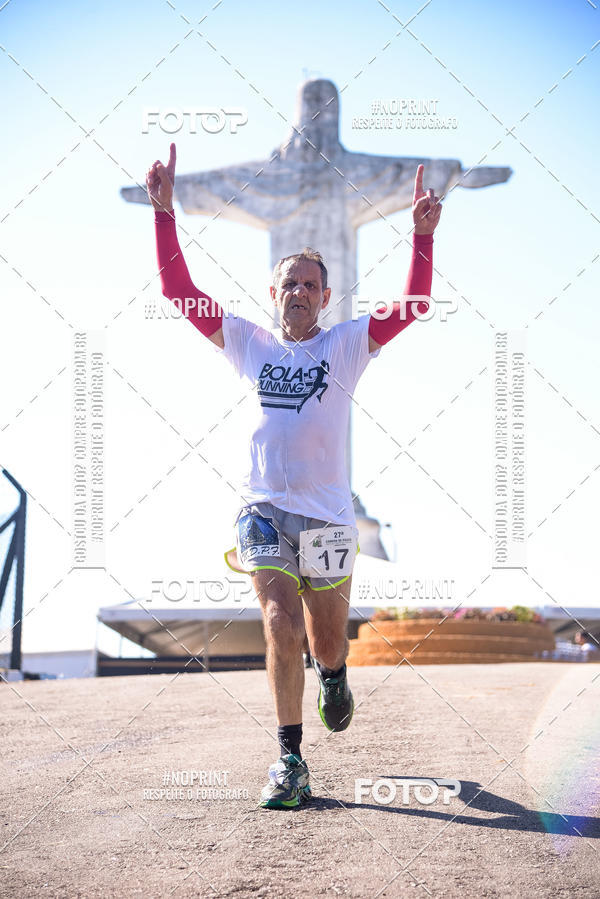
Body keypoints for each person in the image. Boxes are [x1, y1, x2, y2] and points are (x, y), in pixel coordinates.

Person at [146, 143, 442, 809]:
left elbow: (415, 303)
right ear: (274, 293)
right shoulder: (248, 341)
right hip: (262, 509)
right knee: (279, 621)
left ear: (326, 296)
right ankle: (289, 758)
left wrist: (420, 237)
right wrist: (165, 214)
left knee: (325, 637)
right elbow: (178, 291)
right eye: (290, 283)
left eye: (311, 284)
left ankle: (332, 674)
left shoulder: (348, 344)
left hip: (330, 515)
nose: (299, 292)